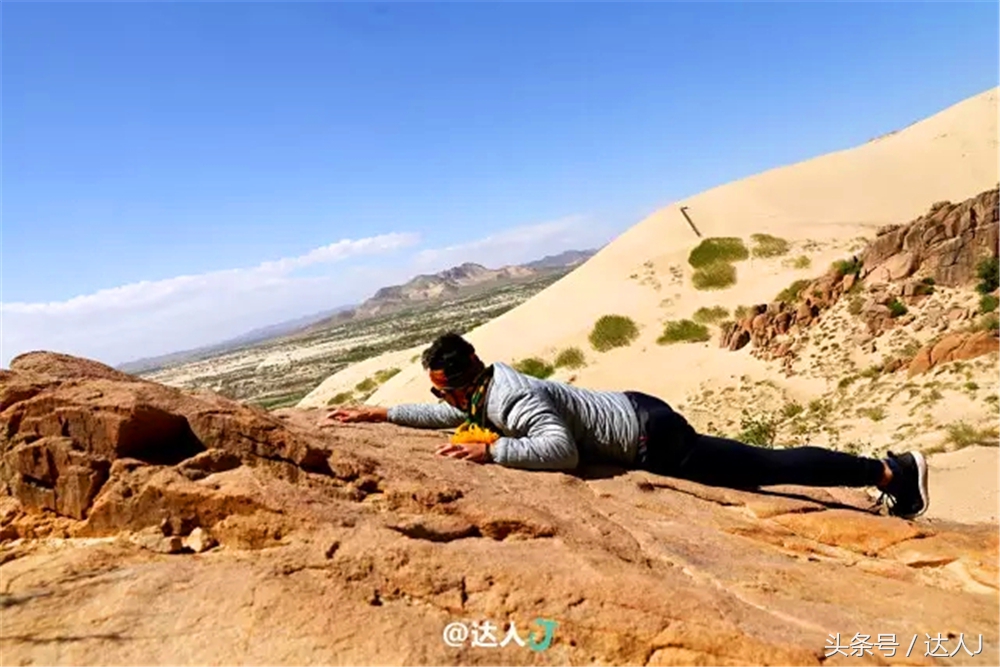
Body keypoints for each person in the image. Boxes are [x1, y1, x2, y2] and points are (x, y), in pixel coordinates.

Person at [328, 332, 929, 519]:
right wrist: (383, 413)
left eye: (439, 387)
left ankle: (889, 469)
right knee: (753, 474)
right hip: (635, 414)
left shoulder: (511, 399)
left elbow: (559, 451)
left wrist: (494, 455)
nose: (439, 398)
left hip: (652, 437)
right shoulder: (482, 392)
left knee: (762, 468)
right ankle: (880, 470)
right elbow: (451, 416)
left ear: (463, 379)